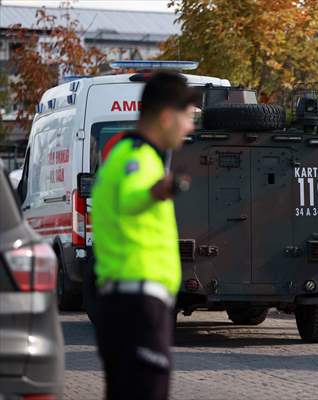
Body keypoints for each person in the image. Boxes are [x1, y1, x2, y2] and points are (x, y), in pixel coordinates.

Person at [91, 71, 196, 400]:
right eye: (188, 118)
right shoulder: (136, 159)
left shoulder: (132, 155)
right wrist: (159, 190)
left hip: (130, 303)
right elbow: (132, 197)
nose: (191, 127)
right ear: (167, 117)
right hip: (136, 306)